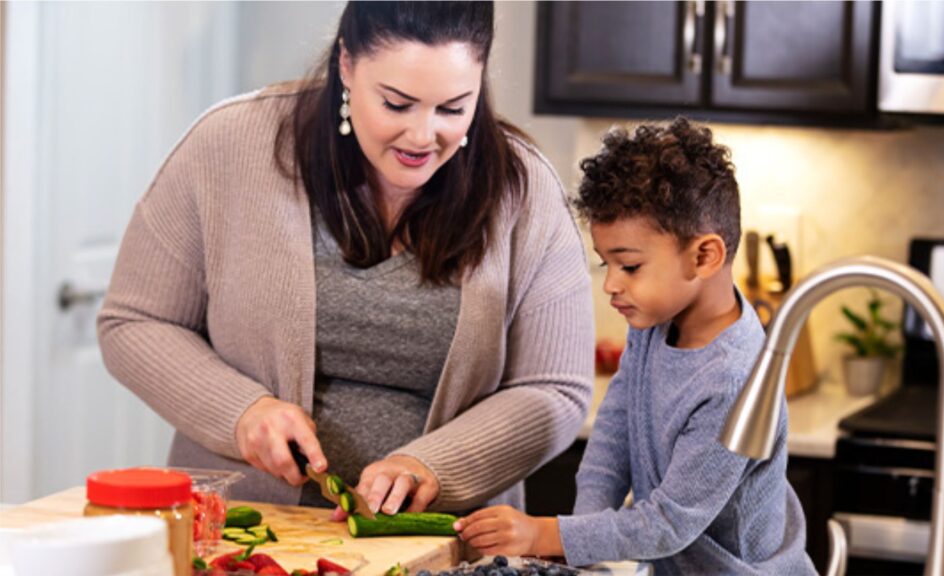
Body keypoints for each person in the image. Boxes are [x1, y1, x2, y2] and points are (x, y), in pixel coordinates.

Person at [97, 1, 594, 515]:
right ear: (347, 66)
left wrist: (435, 466)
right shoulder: (228, 143)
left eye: (452, 108)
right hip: (247, 534)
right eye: (397, 104)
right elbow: (135, 321)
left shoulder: (524, 188)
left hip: (444, 548)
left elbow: (554, 388)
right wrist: (242, 412)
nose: (423, 136)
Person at [455, 117, 816, 575]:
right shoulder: (655, 322)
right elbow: (615, 432)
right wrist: (578, 542)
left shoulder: (732, 378)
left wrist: (547, 533)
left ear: (704, 256)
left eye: (629, 266)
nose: (610, 285)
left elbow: (669, 523)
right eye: (606, 264)